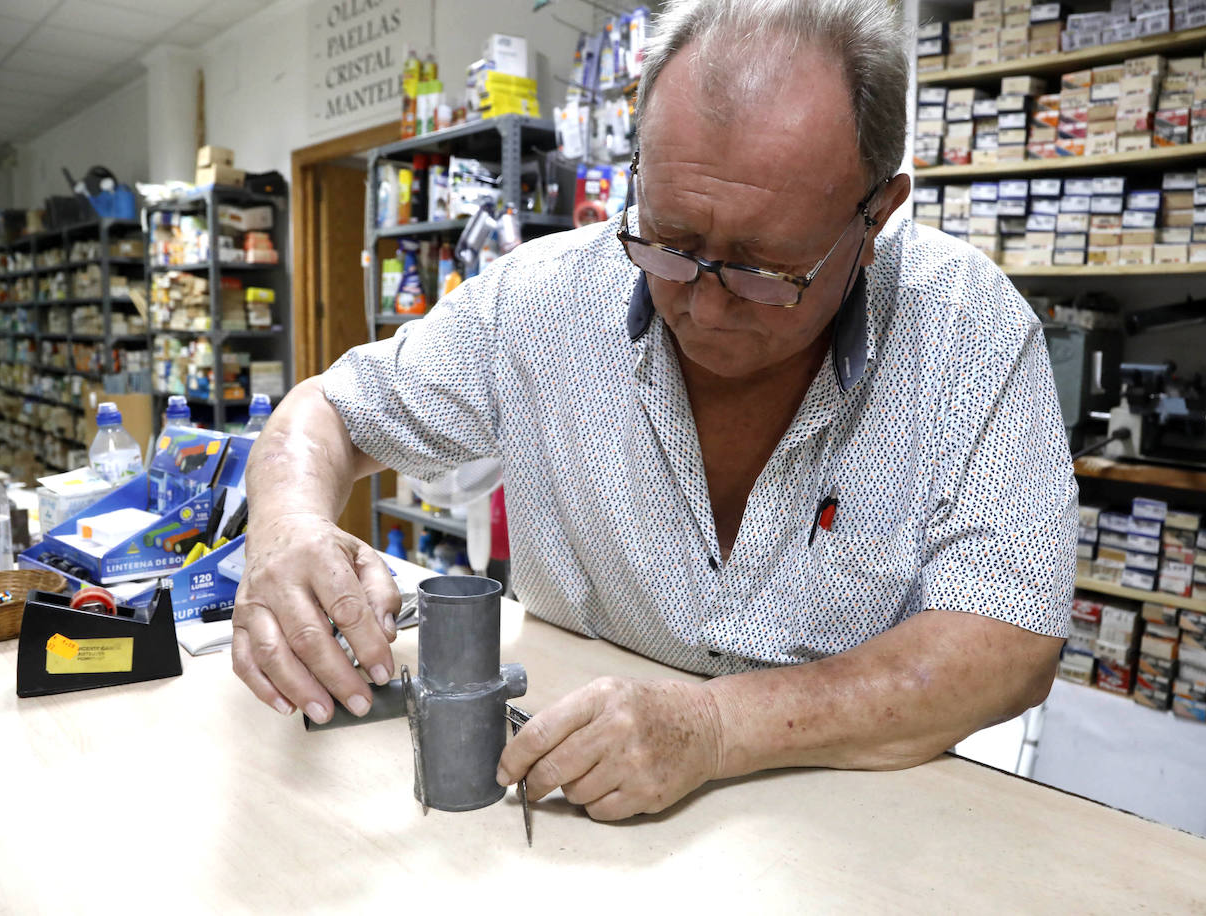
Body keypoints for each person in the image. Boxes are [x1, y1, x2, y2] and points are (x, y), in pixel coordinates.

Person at [233, 0, 1076, 822]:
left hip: (851, 819)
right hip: (565, 802)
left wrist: (716, 727)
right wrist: (285, 526)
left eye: (763, 270)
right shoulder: (541, 298)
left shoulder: (968, 330)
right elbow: (327, 413)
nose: (703, 307)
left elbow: (1009, 642)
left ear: (877, 215)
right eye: (670, 243)